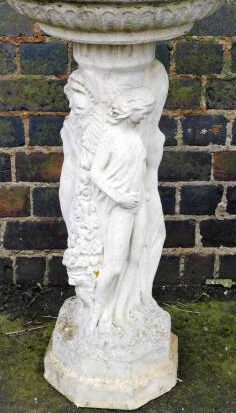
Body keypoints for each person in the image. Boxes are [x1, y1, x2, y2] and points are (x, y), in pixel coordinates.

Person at [89, 86, 156, 331]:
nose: (145, 116)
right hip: (121, 206)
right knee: (115, 264)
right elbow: (95, 172)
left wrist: (144, 197)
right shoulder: (111, 136)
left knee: (136, 259)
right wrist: (118, 197)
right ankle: (98, 310)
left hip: (140, 204)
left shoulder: (136, 135)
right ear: (130, 110)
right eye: (143, 111)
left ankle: (119, 312)